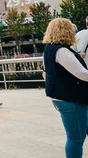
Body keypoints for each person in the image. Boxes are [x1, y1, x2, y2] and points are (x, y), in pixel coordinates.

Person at [43, 18, 88, 157]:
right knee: (76, 139)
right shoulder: (62, 51)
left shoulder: (49, 48)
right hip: (71, 99)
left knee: (75, 135)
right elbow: (82, 74)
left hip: (61, 97)